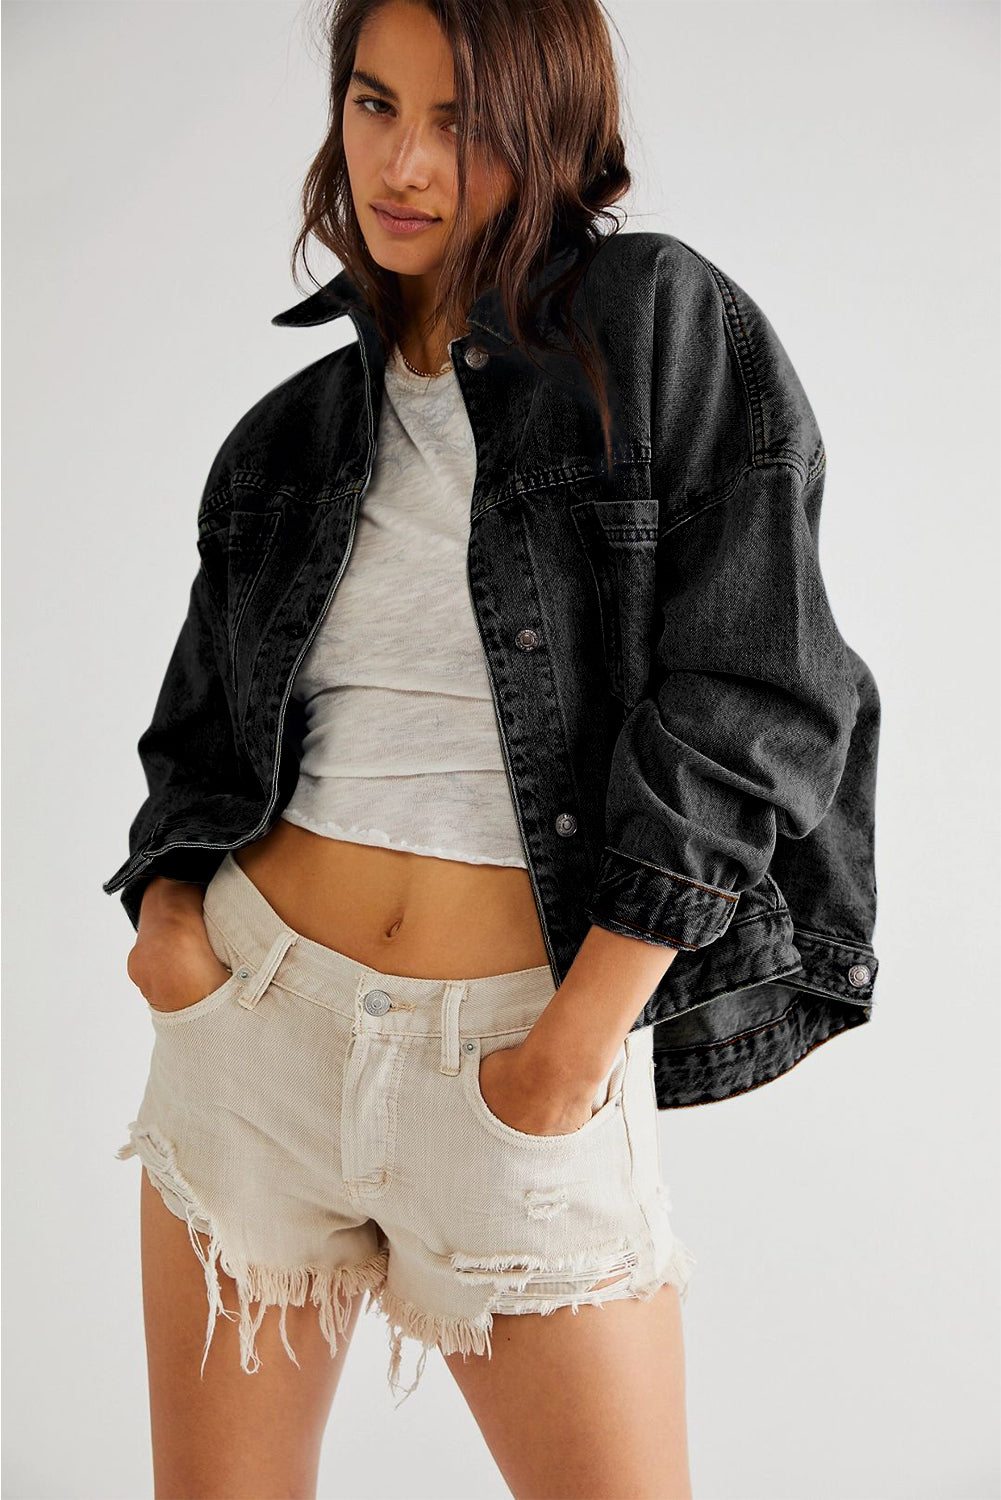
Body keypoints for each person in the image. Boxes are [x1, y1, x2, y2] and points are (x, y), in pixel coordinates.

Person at [104, 0, 881, 1495]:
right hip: (251, 1040)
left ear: (550, 128)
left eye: (460, 122)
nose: (402, 164)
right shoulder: (282, 439)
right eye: (374, 104)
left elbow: (760, 690)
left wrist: (577, 1042)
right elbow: (196, 738)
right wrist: (174, 933)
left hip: (517, 1062)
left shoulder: (654, 325)